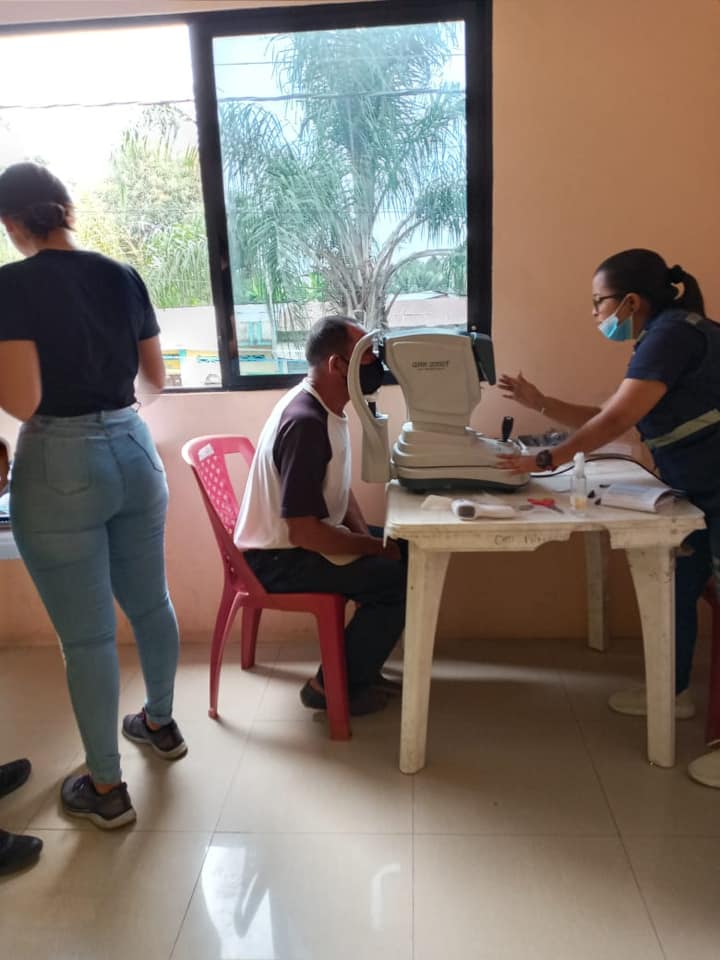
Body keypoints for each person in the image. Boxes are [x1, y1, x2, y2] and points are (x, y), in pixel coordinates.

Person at [0, 162, 186, 830]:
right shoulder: (122, 275)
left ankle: (106, 789)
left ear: (13, 223)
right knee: (151, 601)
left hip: (59, 460)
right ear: (67, 209)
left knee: (87, 639)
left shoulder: (12, 285)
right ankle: (160, 724)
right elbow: (155, 379)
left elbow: (24, 400)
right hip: (134, 448)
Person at [498, 248, 720, 789]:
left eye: (599, 302)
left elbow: (617, 419)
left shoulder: (672, 336)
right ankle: (672, 692)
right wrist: (541, 402)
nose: (595, 314)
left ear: (631, 301)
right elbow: (613, 414)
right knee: (678, 581)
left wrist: (546, 459)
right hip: (700, 488)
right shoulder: (665, 335)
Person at [234, 315, 406, 716]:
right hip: (277, 559)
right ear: (336, 365)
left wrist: (370, 541)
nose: (376, 363)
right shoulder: (306, 424)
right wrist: (373, 550)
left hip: (297, 543)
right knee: (397, 579)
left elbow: (337, 487)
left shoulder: (325, 407)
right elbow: (304, 532)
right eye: (366, 356)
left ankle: (358, 669)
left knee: (408, 551)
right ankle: (329, 687)